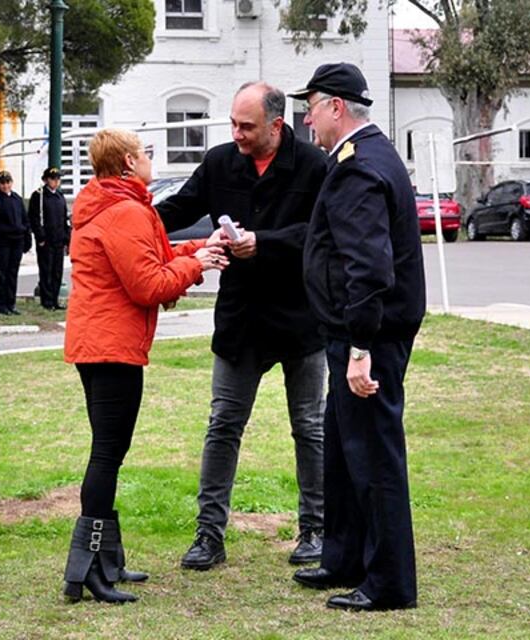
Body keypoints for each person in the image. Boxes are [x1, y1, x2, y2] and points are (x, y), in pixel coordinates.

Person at [156, 81, 329, 569]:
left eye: (246, 127)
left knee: (310, 427)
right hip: (241, 319)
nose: (236, 134)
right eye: (233, 123)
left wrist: (265, 243)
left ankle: (314, 530)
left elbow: (321, 231)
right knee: (223, 426)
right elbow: (180, 208)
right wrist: (126, 217)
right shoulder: (219, 162)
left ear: (277, 126)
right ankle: (209, 535)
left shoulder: (314, 166)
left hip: (300, 318)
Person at [61, 128, 227, 604]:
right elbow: (149, 283)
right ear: (129, 162)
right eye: (146, 153)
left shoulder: (109, 203)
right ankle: (88, 566)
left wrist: (199, 249)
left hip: (96, 342)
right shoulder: (127, 211)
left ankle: (105, 560)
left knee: (107, 451)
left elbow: (152, 256)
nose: (151, 159)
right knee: (108, 454)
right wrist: (201, 266)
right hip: (112, 345)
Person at [288, 63, 426, 612]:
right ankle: (344, 557)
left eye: (313, 106)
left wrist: (362, 348)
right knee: (345, 455)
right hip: (353, 331)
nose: (307, 117)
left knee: (372, 455)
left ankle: (389, 582)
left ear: (337, 107)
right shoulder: (359, 156)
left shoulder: (359, 167)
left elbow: (368, 266)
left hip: (368, 334)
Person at [0, 170, 31, 315]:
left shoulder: (17, 198)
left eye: (7, 182)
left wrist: (27, 239)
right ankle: (1, 305)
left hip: (17, 241)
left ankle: (11, 303)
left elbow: (25, 220)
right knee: (1, 273)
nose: (5, 186)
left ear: (11, 183)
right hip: (2, 242)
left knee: (12, 273)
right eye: (2, 183)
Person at [29, 167, 69, 310]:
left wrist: (67, 239)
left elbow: (64, 220)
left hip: (58, 240)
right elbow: (34, 218)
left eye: (58, 179)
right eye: (53, 179)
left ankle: (54, 299)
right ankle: (47, 301)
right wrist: (40, 237)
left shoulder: (59, 197)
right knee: (46, 270)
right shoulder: (38, 196)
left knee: (57, 271)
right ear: (46, 179)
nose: (56, 182)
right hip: (46, 240)